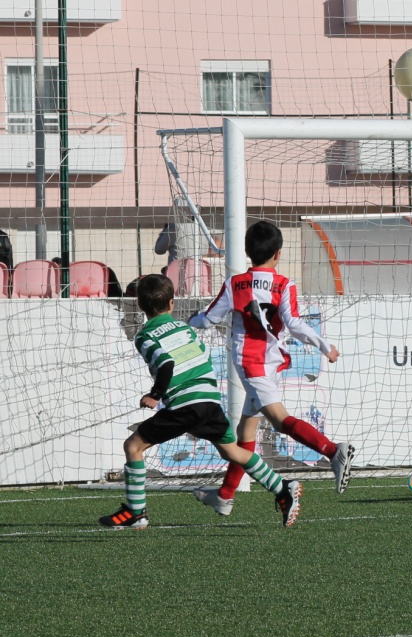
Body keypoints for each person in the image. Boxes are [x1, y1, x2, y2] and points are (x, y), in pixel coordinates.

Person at [98, 273, 302, 529]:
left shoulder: (145, 336)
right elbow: (202, 355)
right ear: (172, 303)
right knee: (232, 451)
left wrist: (155, 395)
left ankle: (136, 513)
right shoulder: (184, 328)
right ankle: (282, 487)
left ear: (139, 305)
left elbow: (166, 363)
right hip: (209, 401)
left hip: (184, 405)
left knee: (133, 447)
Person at [188, 220, 352, 516]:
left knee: (278, 420)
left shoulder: (235, 284)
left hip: (252, 364)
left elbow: (209, 320)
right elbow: (295, 324)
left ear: (247, 252)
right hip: (271, 360)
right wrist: (324, 346)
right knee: (246, 429)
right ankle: (224, 495)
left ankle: (332, 451)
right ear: (278, 253)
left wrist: (189, 322)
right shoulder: (284, 284)